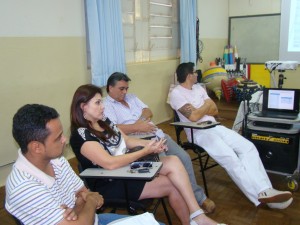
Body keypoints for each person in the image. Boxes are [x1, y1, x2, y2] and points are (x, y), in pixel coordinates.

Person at [69, 84, 227, 225]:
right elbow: (110, 163)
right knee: (173, 183)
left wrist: (151, 145)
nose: (103, 106)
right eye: (98, 102)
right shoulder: (80, 135)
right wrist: (144, 152)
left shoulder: (104, 122)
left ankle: (197, 215)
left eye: (101, 101)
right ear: (83, 107)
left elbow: (127, 141)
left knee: (173, 161)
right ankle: (195, 219)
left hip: (126, 170)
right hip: (111, 182)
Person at [169, 62, 293, 209]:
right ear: (189, 75)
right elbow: (194, 117)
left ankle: (266, 190)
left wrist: (202, 109)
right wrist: (205, 107)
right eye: (195, 73)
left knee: (248, 147)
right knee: (231, 158)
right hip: (198, 132)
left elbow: (214, 110)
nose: (197, 75)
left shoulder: (198, 88)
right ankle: (259, 198)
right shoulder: (176, 93)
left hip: (214, 126)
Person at [103, 72, 215, 213]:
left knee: (185, 158)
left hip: (158, 134)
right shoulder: (106, 105)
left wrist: (141, 121)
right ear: (110, 88)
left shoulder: (131, 97)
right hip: (139, 143)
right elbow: (114, 128)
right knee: (166, 167)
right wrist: (137, 127)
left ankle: (199, 197)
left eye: (126, 88)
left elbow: (148, 111)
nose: (125, 92)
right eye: (121, 89)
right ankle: (186, 201)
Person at [5, 104, 130, 225]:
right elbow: (89, 200)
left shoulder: (57, 160)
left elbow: (84, 192)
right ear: (36, 147)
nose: (65, 140)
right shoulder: (23, 187)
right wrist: (90, 201)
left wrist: (79, 206)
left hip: (95, 219)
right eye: (58, 137)